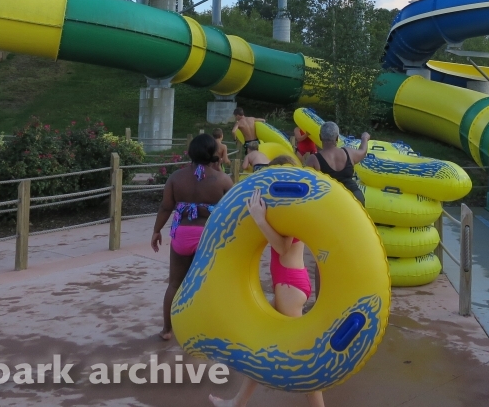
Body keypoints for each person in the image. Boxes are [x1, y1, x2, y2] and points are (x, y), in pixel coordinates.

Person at [209, 154, 323, 407]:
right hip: (290, 284)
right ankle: (237, 402)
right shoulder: (287, 208)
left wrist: (260, 218)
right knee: (261, 347)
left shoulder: (294, 211)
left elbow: (283, 248)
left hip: (290, 287)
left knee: (300, 358)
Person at [152, 134, 233, 341]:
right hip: (208, 236)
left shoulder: (176, 178)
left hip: (182, 234)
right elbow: (232, 211)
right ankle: (205, 330)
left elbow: (165, 207)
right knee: (207, 285)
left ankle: (167, 330)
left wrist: (156, 231)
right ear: (213, 154)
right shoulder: (223, 180)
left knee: (174, 283)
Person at [304, 121, 368, 205]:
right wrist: (364, 138)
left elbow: (307, 184)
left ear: (320, 137)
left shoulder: (313, 159)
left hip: (332, 201)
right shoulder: (348, 153)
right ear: (337, 138)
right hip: (355, 198)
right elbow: (363, 151)